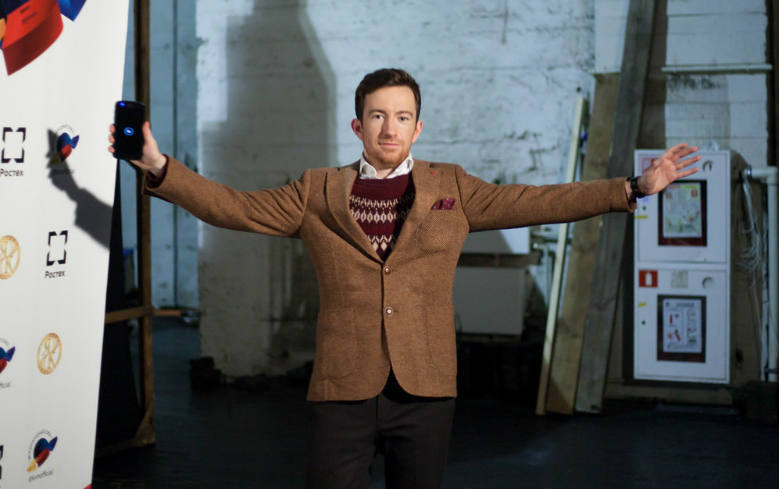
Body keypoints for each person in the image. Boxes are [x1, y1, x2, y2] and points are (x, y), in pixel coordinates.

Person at [109, 68, 699, 489]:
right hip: (343, 387)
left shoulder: (453, 187)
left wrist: (630, 188)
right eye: (377, 116)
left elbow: (537, 200)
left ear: (417, 128)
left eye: (402, 117)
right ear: (357, 125)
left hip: (425, 389)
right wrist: (159, 166)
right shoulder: (317, 190)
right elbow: (234, 208)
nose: (389, 128)